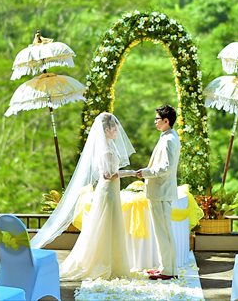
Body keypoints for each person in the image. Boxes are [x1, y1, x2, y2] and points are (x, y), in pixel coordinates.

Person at [30, 112, 135, 281]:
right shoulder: (106, 150)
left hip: (110, 191)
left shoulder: (108, 146)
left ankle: (112, 263)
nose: (117, 131)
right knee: (104, 226)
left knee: (109, 226)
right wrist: (131, 173)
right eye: (114, 128)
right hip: (108, 192)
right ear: (107, 129)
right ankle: (102, 262)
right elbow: (108, 175)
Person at [135, 104, 181, 280]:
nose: (154, 122)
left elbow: (167, 168)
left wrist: (146, 172)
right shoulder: (167, 137)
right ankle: (165, 267)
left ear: (166, 121)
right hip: (159, 191)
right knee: (161, 232)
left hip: (161, 191)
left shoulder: (169, 139)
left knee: (164, 232)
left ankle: (168, 270)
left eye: (157, 119)